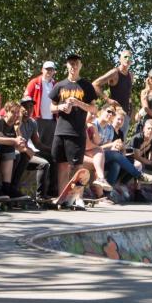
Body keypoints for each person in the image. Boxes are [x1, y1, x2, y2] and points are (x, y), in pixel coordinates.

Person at [49, 54, 117, 199]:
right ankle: (63, 197)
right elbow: (51, 107)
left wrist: (78, 103)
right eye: (70, 63)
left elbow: (94, 109)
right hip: (60, 131)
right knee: (61, 165)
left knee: (77, 167)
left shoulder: (86, 85)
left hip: (77, 131)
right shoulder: (59, 85)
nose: (73, 66)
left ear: (80, 66)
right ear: (66, 65)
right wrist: (62, 107)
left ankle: (77, 198)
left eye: (76, 64)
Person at [16, 97, 53, 201]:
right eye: (25, 106)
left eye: (31, 107)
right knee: (21, 156)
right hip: (16, 151)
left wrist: (52, 150)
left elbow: (37, 144)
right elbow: (16, 141)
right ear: (20, 108)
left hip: (27, 152)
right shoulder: (16, 120)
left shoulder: (32, 123)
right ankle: (13, 189)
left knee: (45, 163)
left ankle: (42, 195)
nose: (28, 109)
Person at [126, 117, 152, 202]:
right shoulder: (137, 138)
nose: (150, 130)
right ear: (144, 128)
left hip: (144, 160)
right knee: (139, 165)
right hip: (130, 160)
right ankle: (137, 192)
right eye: (148, 128)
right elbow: (136, 156)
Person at [23, 61, 57, 154]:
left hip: (52, 120)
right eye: (47, 69)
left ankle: (47, 166)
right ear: (42, 70)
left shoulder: (56, 85)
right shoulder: (34, 82)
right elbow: (25, 99)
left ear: (54, 71)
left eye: (51, 69)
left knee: (49, 146)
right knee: (36, 146)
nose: (49, 71)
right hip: (37, 119)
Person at [105, 49, 133, 119]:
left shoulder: (131, 75)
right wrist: (107, 99)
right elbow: (96, 84)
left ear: (131, 61)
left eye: (129, 57)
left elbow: (128, 94)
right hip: (113, 113)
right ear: (120, 59)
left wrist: (131, 110)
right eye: (125, 57)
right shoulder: (114, 73)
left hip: (125, 114)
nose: (127, 59)